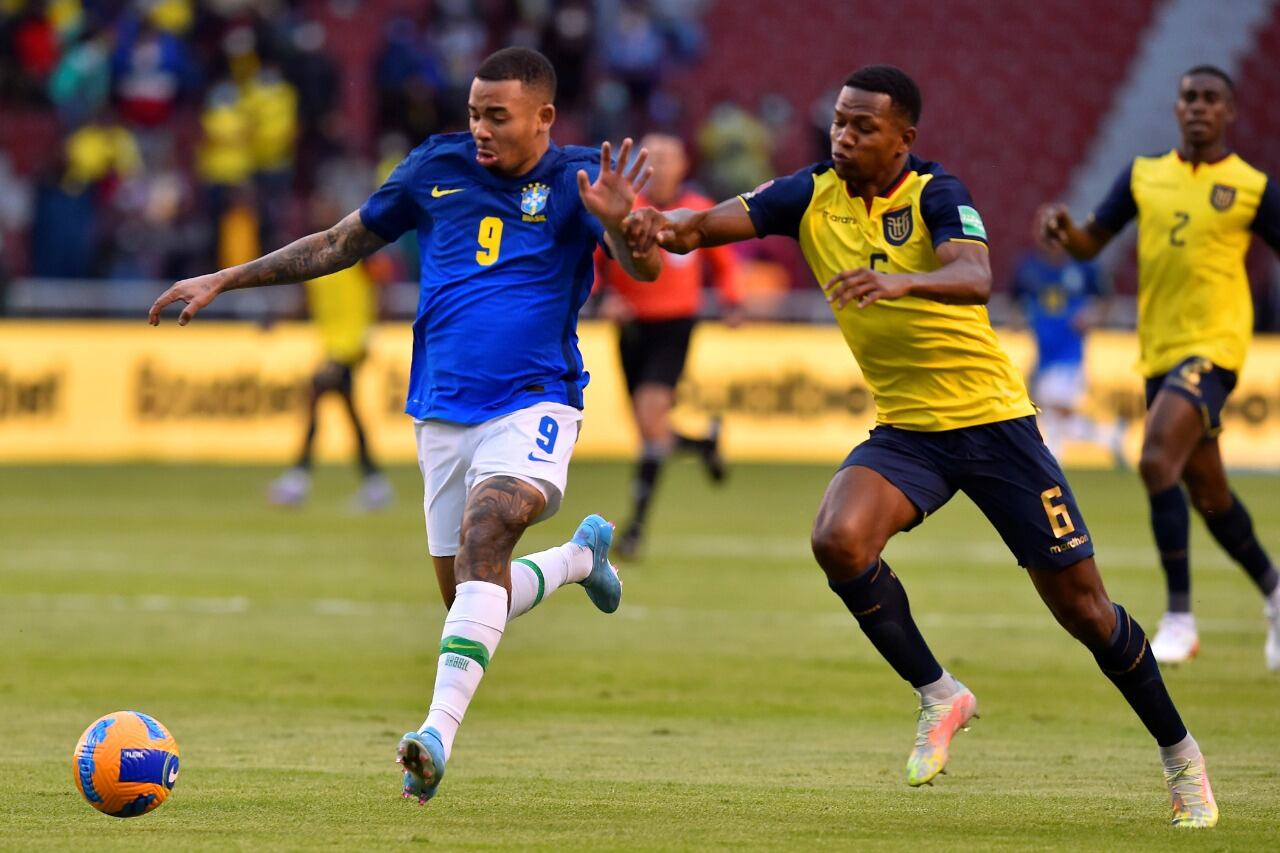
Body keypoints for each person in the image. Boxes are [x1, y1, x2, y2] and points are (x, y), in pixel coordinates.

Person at [624, 65, 1217, 828]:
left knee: (1086, 610)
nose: (843, 136)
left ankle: (1182, 758)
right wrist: (641, 221)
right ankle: (941, 694)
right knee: (838, 539)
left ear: (905, 137)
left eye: (863, 127)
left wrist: (900, 283)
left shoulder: (938, 192)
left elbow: (974, 273)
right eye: (838, 121)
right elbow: (695, 229)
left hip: (995, 425)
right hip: (910, 431)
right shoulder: (808, 194)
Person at [149, 47, 662, 805]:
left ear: (544, 117)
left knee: (488, 534)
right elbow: (336, 243)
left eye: (498, 116)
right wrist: (225, 278)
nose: (481, 130)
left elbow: (642, 267)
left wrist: (625, 232)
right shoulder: (435, 168)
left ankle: (431, 738)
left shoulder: (581, 177)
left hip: (536, 400)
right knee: (467, 594)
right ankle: (577, 563)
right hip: (442, 413)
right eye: (474, 114)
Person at [1038, 65, 1280, 670]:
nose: (1198, 107)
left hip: (1216, 349)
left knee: (1152, 460)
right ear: (1176, 109)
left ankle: (1179, 618)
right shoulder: (1145, 176)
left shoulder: (1251, 187)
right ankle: (1276, 593)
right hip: (1160, 353)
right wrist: (1067, 233)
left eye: (1210, 99)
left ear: (1228, 112)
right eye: (1189, 97)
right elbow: (1094, 240)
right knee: (1211, 494)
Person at [594, 132, 742, 559]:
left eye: (667, 157)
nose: (658, 166)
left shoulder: (695, 211)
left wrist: (733, 301)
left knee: (650, 414)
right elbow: (596, 262)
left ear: (683, 166)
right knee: (649, 430)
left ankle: (636, 528)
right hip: (632, 327)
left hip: (676, 324)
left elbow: (724, 261)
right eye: (650, 158)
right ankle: (703, 444)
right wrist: (606, 297)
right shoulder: (626, 212)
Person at [267, 192, 394, 512]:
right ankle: (374, 483)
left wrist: (369, 333)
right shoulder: (316, 258)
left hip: (349, 345)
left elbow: (382, 285)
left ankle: (298, 480)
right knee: (348, 413)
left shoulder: (357, 253)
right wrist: (277, 320)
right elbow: (306, 301)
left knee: (316, 398)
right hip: (332, 345)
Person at [1009, 224, 1125, 464]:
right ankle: (1108, 435)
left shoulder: (1082, 267)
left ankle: (1053, 455)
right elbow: (1014, 301)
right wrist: (1019, 319)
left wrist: (1093, 317)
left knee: (1052, 403)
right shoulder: (1029, 268)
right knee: (1051, 410)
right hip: (1044, 351)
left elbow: (1107, 301)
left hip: (1070, 352)